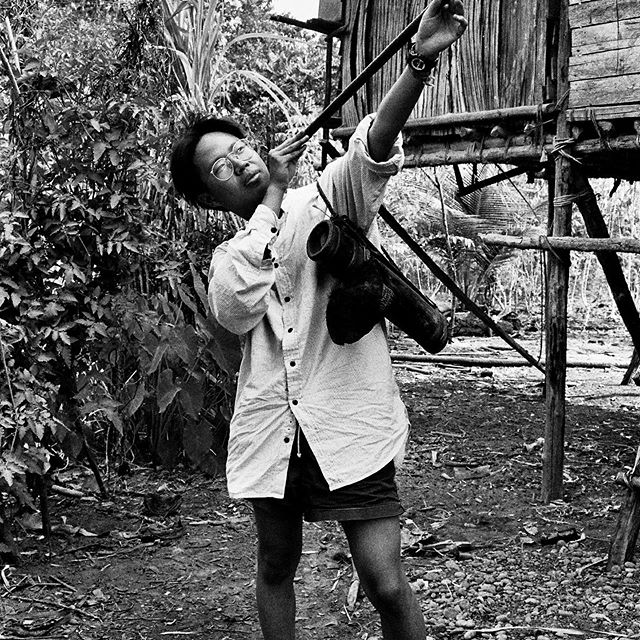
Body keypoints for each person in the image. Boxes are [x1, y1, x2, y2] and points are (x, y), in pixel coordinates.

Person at [170, 3, 467, 638]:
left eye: (242, 147)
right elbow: (237, 304)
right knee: (277, 564)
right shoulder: (229, 258)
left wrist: (417, 62)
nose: (243, 161)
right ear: (204, 195)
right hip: (274, 428)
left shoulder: (327, 199)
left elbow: (374, 148)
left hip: (348, 419)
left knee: (384, 579)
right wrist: (273, 197)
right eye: (221, 165)